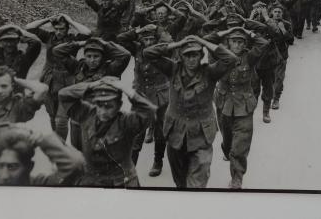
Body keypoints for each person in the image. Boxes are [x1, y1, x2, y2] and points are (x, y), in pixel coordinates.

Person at [143, 35, 238, 188]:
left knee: (197, 184)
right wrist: (177, 43)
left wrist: (204, 42)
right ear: (181, 56)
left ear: (201, 56)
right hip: (175, 134)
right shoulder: (172, 69)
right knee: (180, 182)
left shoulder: (210, 72)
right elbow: (147, 53)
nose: (191, 59)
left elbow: (232, 59)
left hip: (201, 135)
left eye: (195, 55)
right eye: (187, 55)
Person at [58, 76, 156, 187]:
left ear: (119, 105)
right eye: (99, 105)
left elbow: (149, 112)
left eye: (109, 107)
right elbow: (63, 94)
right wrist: (91, 85)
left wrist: (128, 90)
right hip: (91, 180)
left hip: (121, 182)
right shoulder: (87, 114)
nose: (103, 111)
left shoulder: (126, 122)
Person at [213, 27, 269, 189]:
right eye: (234, 41)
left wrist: (247, 30)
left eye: (240, 42)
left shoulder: (249, 57)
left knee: (240, 145)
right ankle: (227, 149)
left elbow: (264, 43)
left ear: (244, 44)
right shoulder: (220, 55)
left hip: (243, 105)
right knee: (228, 140)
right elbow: (208, 39)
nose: (237, 45)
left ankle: (237, 178)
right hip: (223, 103)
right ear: (228, 43)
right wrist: (227, 30)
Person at [52, 37, 131, 149]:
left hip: (99, 121)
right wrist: (81, 43)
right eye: (88, 56)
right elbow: (57, 51)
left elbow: (125, 55)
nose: (92, 60)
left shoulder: (110, 69)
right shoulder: (78, 67)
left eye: (96, 56)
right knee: (78, 151)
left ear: (102, 57)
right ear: (84, 56)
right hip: (77, 121)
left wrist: (104, 43)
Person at [25, 14, 91, 140]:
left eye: (62, 29)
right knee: (52, 115)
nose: (59, 32)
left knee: (62, 118)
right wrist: (47, 19)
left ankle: (64, 148)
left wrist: (70, 20)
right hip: (50, 79)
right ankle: (58, 143)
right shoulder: (49, 37)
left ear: (67, 29)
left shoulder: (73, 39)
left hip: (68, 79)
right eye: (57, 29)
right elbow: (29, 27)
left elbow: (87, 32)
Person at [117, 24, 170, 176]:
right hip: (141, 96)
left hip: (161, 96)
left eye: (151, 39)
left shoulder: (163, 49)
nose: (148, 42)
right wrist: (138, 30)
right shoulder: (137, 49)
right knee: (136, 132)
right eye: (145, 39)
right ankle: (131, 167)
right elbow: (120, 39)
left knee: (160, 132)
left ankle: (157, 161)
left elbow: (168, 40)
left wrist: (159, 28)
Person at [0, 123, 85, 185]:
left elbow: (74, 163)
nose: (4, 176)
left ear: (29, 167)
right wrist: (10, 129)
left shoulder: (38, 185)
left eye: (12, 167)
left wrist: (42, 139)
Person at [267, 4, 294, 110]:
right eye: (275, 11)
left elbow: (291, 40)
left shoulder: (286, 24)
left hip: (281, 54)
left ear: (282, 14)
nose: (277, 13)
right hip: (268, 54)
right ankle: (268, 97)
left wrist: (283, 30)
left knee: (279, 77)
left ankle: (276, 99)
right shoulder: (267, 23)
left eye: (279, 12)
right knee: (268, 77)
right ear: (271, 13)